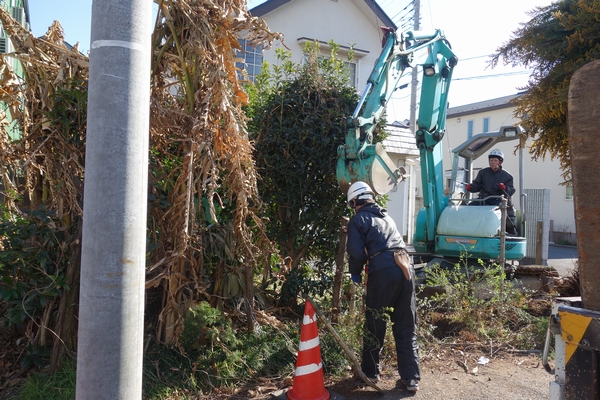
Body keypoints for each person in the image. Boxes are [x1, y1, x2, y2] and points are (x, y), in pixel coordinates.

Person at [345, 181, 420, 392]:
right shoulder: (386, 216)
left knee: (375, 322)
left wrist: (355, 274)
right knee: (406, 324)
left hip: (383, 270)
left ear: (354, 201)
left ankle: (370, 373)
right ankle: (411, 378)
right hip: (406, 267)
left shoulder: (358, 219)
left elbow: (357, 252)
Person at [465, 148, 518, 235]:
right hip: (483, 198)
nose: (492, 162)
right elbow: (477, 185)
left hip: (497, 199)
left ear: (500, 162)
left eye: (495, 160)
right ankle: (469, 229)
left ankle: (508, 231)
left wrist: (504, 188)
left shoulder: (507, 176)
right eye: (491, 160)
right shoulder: (483, 173)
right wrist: (471, 187)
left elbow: (510, 191)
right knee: (469, 208)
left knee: (494, 212)